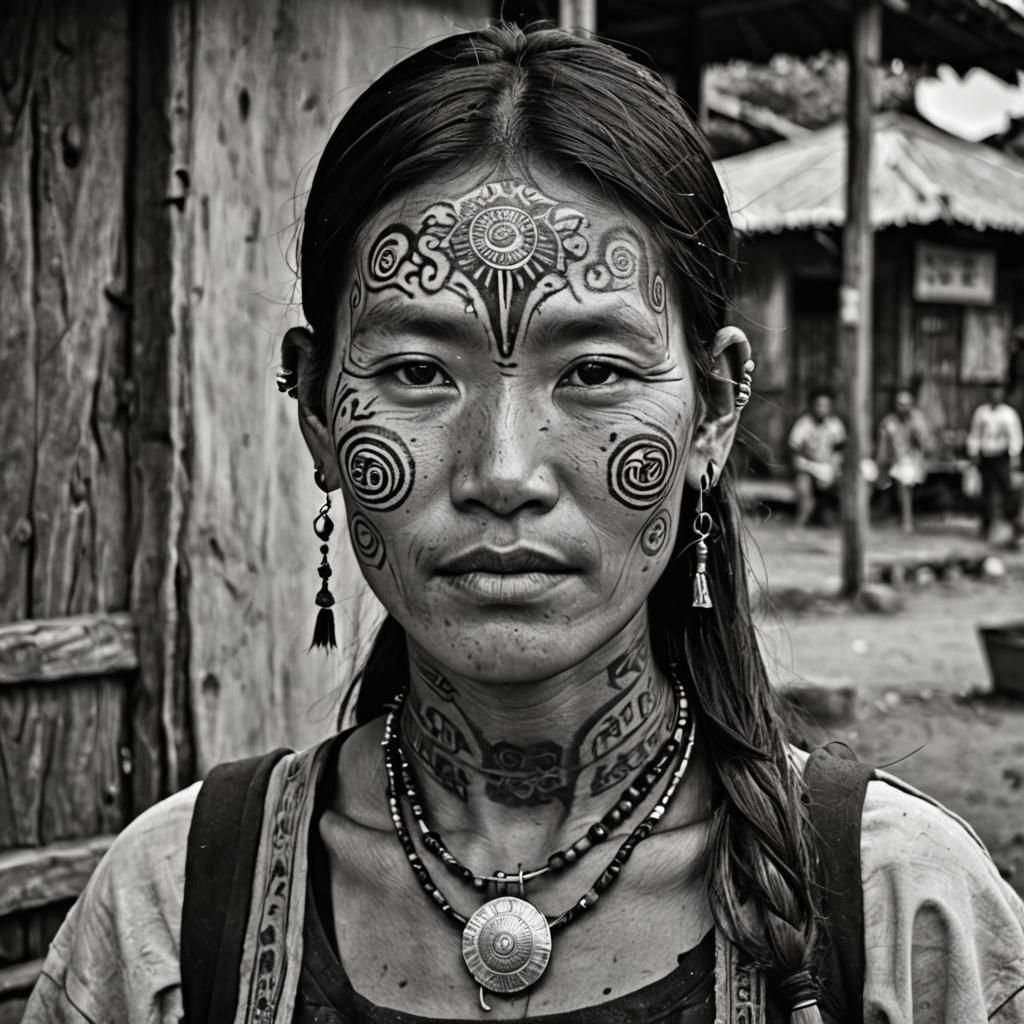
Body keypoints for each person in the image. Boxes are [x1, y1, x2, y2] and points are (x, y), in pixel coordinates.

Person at [25, 23, 1024, 1024]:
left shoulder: (904, 914)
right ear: (319, 413)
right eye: (417, 372)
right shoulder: (171, 914)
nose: (501, 472)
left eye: (593, 372)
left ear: (712, 410)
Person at [967, 382, 1023, 545]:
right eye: (992, 391)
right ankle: (986, 525)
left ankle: (1015, 527)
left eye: (998, 391)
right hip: (986, 458)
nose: (995, 394)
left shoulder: (1009, 414)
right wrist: (973, 452)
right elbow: (975, 434)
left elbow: (1016, 438)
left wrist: (1014, 457)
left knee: (1008, 491)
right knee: (986, 492)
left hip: (1002, 458)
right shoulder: (981, 413)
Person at [875, 387, 932, 533]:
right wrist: (880, 465)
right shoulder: (888, 422)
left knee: (904, 477)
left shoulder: (918, 420)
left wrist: (916, 433)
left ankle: (907, 520)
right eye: (900, 403)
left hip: (914, 462)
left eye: (906, 403)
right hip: (894, 463)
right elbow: (882, 447)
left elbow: (927, 446)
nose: (903, 407)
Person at [787, 390, 846, 527]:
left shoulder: (835, 425)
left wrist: (834, 470)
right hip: (807, 466)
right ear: (812, 406)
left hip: (829, 467)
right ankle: (801, 521)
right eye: (818, 405)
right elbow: (794, 449)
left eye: (825, 405)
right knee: (803, 485)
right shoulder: (803, 424)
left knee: (829, 518)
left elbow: (839, 451)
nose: (821, 408)